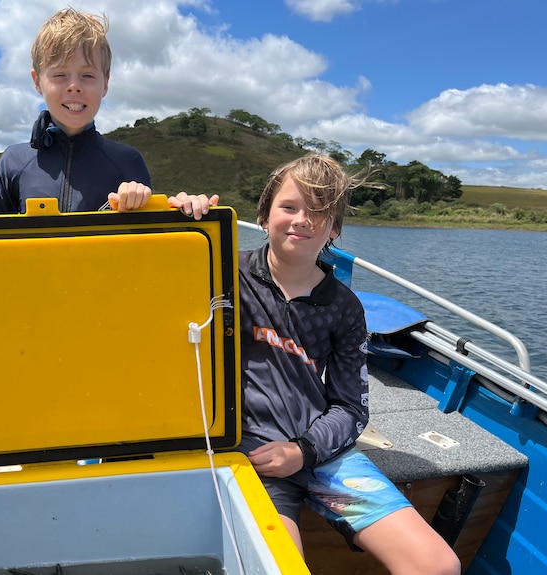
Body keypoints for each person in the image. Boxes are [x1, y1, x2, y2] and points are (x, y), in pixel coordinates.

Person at [173, 154, 460, 575]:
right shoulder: (220, 274)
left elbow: (350, 408)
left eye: (320, 212)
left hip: (322, 454)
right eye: (289, 207)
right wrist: (175, 217)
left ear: (335, 229)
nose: (302, 220)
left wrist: (302, 450)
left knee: (437, 565)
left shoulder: (344, 307)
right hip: (248, 456)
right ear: (264, 213)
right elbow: (152, 275)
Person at [0, 7, 152, 218]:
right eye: (59, 74)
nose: (74, 85)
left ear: (105, 83)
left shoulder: (127, 162)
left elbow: (156, 246)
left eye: (87, 75)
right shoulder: (13, 162)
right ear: (37, 82)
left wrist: (187, 209)